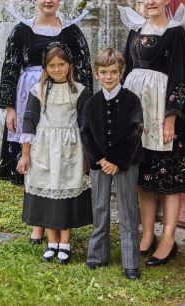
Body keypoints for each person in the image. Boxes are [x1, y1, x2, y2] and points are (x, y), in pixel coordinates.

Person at [0, 0, 93, 244]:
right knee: (34, 158)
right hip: (30, 102)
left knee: (58, 160)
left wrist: (84, 111)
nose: (48, 0)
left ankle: (60, 219)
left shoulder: (71, 31)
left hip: (62, 109)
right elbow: (9, 69)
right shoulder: (21, 31)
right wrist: (10, 108)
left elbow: (85, 69)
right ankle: (37, 222)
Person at [117, 0, 185, 267]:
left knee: (168, 176)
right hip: (139, 111)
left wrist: (171, 118)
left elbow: (181, 78)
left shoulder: (177, 33)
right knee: (143, 175)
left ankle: (168, 237)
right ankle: (147, 233)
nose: (151, 1)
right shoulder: (135, 29)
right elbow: (126, 71)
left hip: (162, 112)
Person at [16, 44, 93, 264]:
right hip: (44, 148)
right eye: (52, 65)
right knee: (49, 190)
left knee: (65, 189)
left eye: (61, 65)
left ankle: (65, 243)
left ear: (69, 66)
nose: (57, 69)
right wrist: (25, 155)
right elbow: (29, 123)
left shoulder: (79, 90)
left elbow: (85, 125)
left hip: (70, 149)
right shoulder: (37, 90)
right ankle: (52, 242)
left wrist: (87, 158)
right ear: (46, 67)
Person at [78, 48, 144, 280]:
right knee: (100, 208)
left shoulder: (131, 100)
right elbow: (86, 133)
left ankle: (130, 262)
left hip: (126, 163)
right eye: (104, 72)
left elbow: (135, 131)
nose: (108, 77)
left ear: (121, 73)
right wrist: (100, 159)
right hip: (99, 164)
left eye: (113, 72)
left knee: (128, 211)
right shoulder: (91, 103)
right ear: (96, 74)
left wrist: (117, 161)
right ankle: (97, 255)